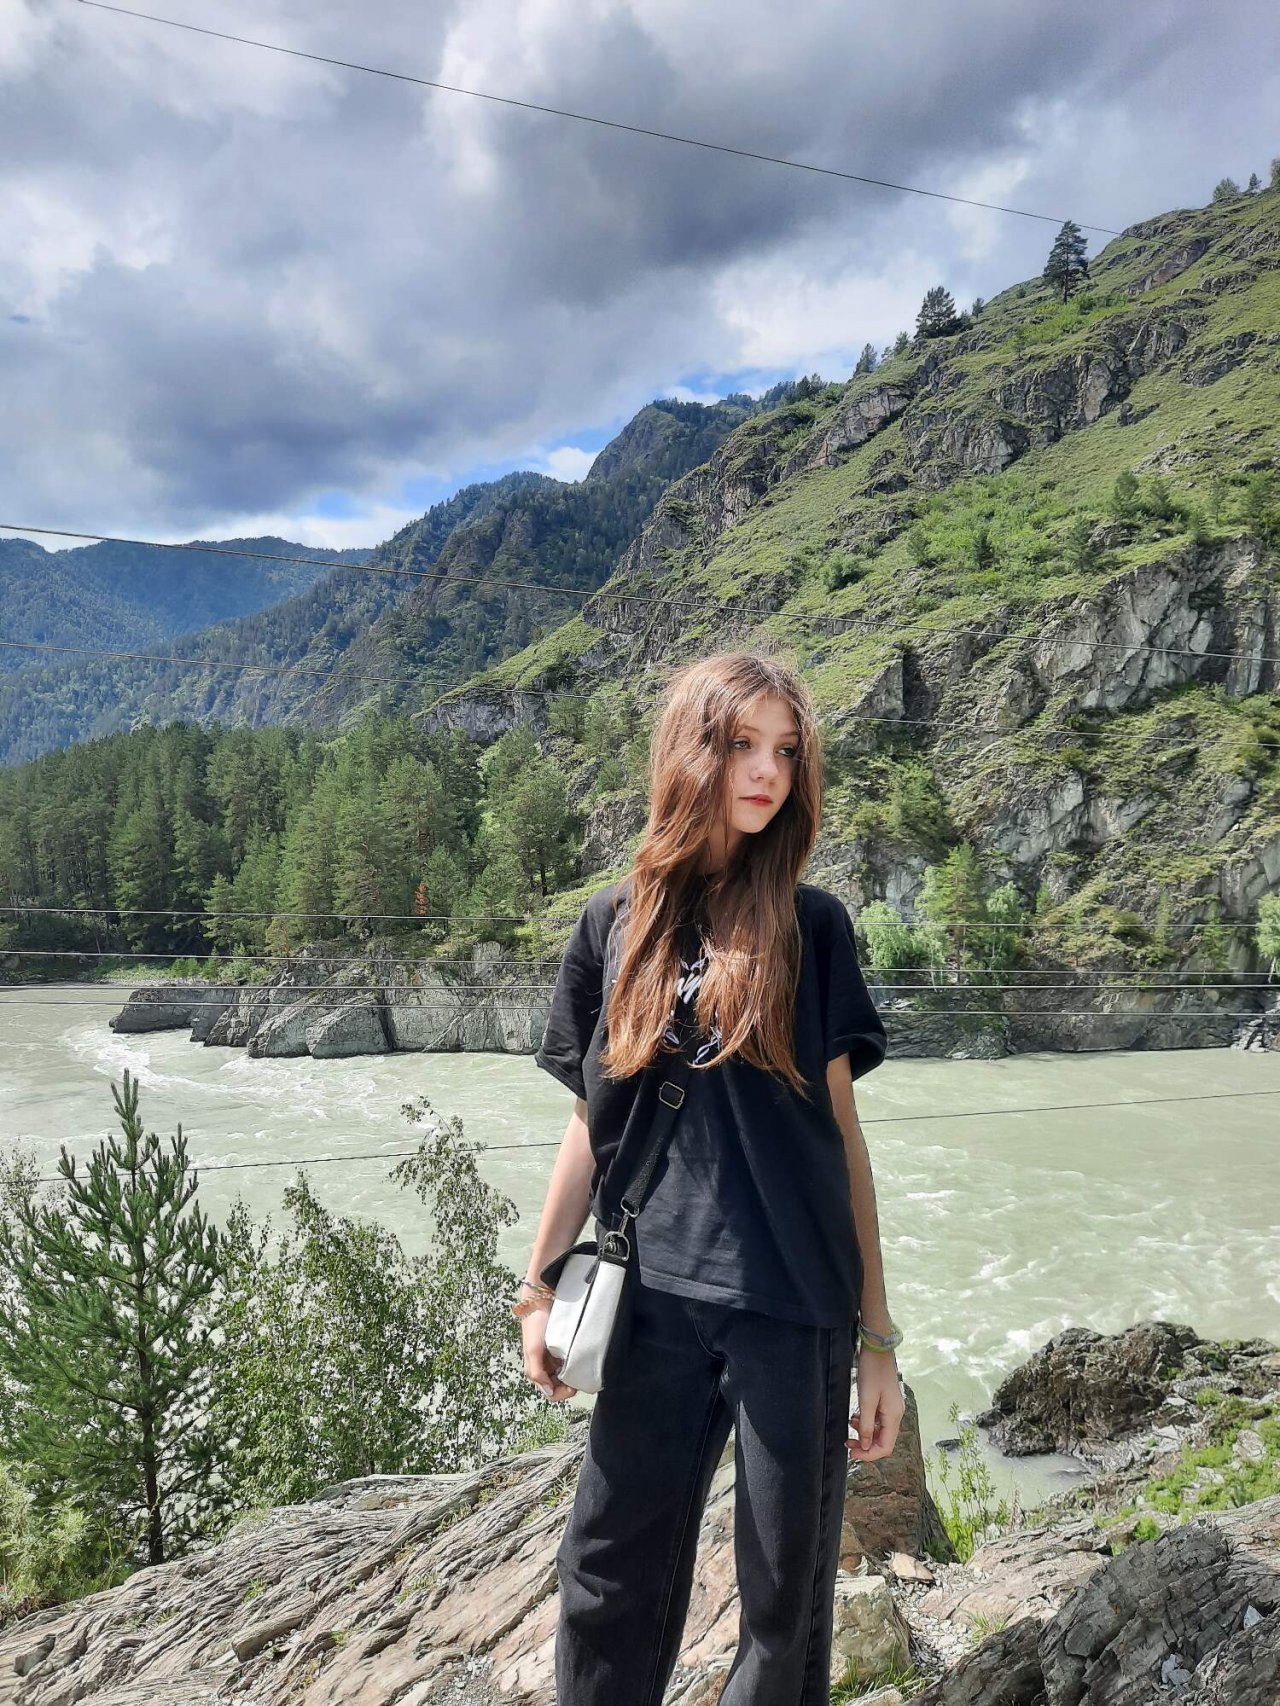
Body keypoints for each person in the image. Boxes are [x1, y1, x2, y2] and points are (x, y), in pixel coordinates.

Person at [515, 651, 904, 1706]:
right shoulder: (612, 923)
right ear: (691, 751)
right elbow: (587, 1123)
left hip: (791, 1305)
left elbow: (843, 1138)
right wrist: (538, 1286)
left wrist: (876, 1339)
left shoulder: (813, 927)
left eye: (786, 750)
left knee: (782, 1612)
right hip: (649, 1300)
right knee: (605, 1576)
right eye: (742, 744)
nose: (768, 770)